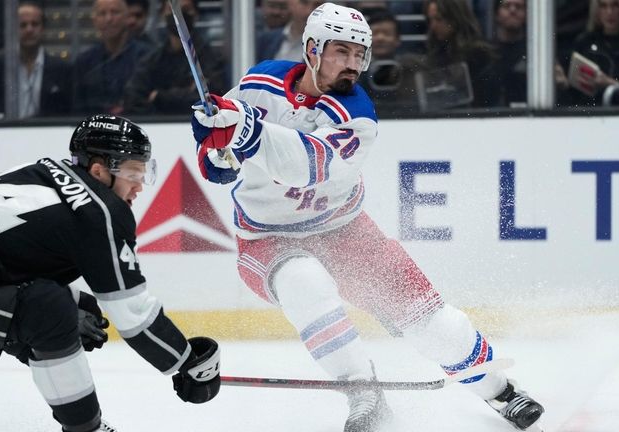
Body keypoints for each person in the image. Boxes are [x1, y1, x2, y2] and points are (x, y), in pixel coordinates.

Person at [189, 3, 543, 432]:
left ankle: (499, 390)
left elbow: (306, 165)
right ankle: (364, 395)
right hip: (265, 238)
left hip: (345, 232)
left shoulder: (357, 115)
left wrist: (244, 131)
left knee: (434, 324)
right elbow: (221, 162)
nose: (353, 64)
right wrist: (216, 147)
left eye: (360, 54)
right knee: (304, 282)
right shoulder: (260, 81)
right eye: (342, 51)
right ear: (312, 49)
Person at [0, 114, 221, 432]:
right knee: (51, 312)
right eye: (133, 174)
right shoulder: (101, 213)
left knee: (67, 308)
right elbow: (134, 316)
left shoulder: (48, 169)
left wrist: (72, 305)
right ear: (100, 171)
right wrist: (186, 361)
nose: (139, 186)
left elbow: (10, 256)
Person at [121, 0, 226, 115]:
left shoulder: (211, 59)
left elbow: (211, 100)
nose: (178, 15)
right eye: (173, 9)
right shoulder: (152, 60)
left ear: (195, 15)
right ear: (162, 15)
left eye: (185, 10)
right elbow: (132, 99)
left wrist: (158, 97)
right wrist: (185, 92)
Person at [0, 1, 73, 119]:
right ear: (12, 29)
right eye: (22, 25)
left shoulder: (62, 70)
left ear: (43, 29)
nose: (29, 30)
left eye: (35, 24)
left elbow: (68, 115)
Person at [73, 0, 151, 114]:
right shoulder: (84, 62)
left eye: (115, 12)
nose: (108, 19)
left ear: (126, 17)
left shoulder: (147, 56)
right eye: (102, 14)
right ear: (95, 21)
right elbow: (77, 107)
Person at [423, 0, 498, 107]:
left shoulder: (478, 55)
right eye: (430, 20)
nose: (433, 26)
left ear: (455, 18)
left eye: (438, 19)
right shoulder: (435, 52)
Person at [565, 0, 619, 106]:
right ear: (596, 11)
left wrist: (610, 84)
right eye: (603, 6)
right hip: (590, 111)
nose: (609, 12)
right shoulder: (585, 42)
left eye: (615, 5)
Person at [255, 0, 323, 62]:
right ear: (290, 2)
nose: (308, 11)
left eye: (317, 5)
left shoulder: (325, 48)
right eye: (303, 2)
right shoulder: (266, 40)